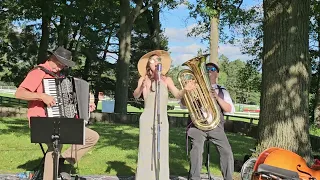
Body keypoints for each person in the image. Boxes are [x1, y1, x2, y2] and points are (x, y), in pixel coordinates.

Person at [14, 46, 100, 180]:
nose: (60, 68)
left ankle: (60, 161)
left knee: (92, 137)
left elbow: (71, 100)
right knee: (56, 145)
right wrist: (42, 96)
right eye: (59, 64)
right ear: (52, 58)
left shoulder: (60, 77)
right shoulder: (38, 72)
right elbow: (19, 93)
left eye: (63, 66)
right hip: (41, 121)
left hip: (59, 121)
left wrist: (87, 103)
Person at [133, 50, 196, 180]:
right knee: (146, 150)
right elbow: (136, 95)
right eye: (153, 60)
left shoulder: (167, 80)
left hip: (162, 119)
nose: (156, 62)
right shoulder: (144, 78)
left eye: (158, 60)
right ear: (148, 65)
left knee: (161, 150)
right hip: (147, 118)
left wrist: (185, 89)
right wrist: (141, 87)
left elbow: (177, 94)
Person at [182, 62, 235, 180]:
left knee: (226, 151)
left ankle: (228, 178)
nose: (209, 71)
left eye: (212, 69)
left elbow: (230, 109)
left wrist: (217, 97)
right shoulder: (194, 87)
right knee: (197, 148)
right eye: (206, 69)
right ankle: (194, 177)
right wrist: (188, 92)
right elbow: (183, 105)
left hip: (216, 126)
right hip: (198, 126)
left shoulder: (222, 90)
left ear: (217, 74)